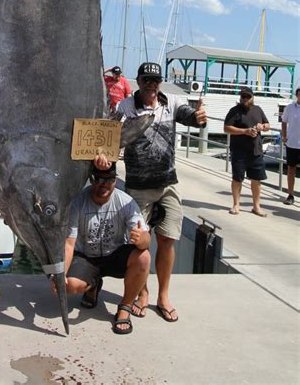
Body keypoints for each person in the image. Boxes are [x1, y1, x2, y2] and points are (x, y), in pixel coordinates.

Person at [95, 61, 207, 323]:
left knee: (167, 240)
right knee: (139, 244)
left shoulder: (173, 102)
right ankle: (142, 292)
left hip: (168, 184)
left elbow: (192, 117)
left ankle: (163, 296)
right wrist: (101, 153)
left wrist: (200, 118)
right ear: (139, 81)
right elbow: (107, 134)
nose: (151, 85)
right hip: (138, 188)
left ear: (160, 82)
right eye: (146, 80)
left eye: (155, 80)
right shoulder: (126, 107)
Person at [51, 162, 150, 335]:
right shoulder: (77, 203)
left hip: (114, 255)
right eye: (98, 179)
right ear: (91, 179)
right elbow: (68, 244)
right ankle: (93, 284)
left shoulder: (126, 202)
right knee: (71, 286)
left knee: (144, 257)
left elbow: (146, 240)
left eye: (109, 179)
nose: (104, 184)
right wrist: (59, 275)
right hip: (87, 257)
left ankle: (125, 306)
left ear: (115, 180)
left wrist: (141, 239)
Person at [224, 86, 270, 218]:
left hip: (256, 151)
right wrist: (245, 131)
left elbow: (267, 125)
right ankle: (236, 205)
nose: (245, 99)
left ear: (252, 97)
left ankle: (256, 206)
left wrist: (262, 127)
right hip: (239, 151)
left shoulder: (258, 110)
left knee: (257, 179)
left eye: (247, 97)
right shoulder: (234, 111)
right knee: (237, 178)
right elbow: (227, 128)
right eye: (243, 97)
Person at [281, 87, 300, 205]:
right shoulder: (290, 107)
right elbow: (284, 121)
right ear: (297, 95)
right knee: (291, 170)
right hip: (292, 143)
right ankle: (290, 195)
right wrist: (284, 135)